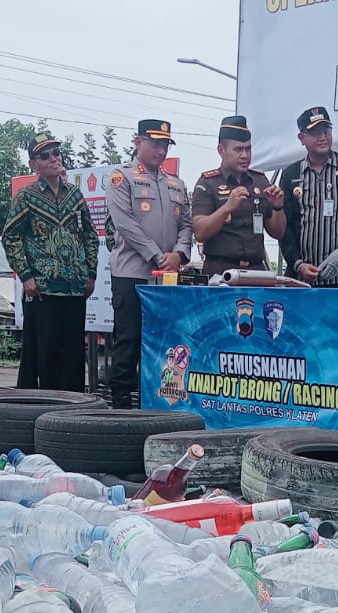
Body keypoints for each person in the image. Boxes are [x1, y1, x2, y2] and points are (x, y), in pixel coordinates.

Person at [104, 119, 192, 409]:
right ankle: (121, 406)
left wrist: (178, 254)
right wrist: (156, 255)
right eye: (155, 143)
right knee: (128, 340)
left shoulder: (176, 183)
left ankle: (159, 403)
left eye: (165, 144)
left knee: (166, 343)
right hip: (132, 273)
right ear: (137, 141)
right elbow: (125, 223)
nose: (161, 149)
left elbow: (187, 224)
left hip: (167, 278)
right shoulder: (122, 177)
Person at [1, 133, 98, 391]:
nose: (54, 158)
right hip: (42, 289)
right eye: (45, 155)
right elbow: (11, 237)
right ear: (33, 164)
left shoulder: (75, 195)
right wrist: (25, 275)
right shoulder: (26, 196)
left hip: (74, 287)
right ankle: (40, 409)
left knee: (73, 356)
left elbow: (89, 234)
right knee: (43, 356)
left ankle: (74, 410)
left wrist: (91, 272)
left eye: (56, 152)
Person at [279, 107, 338, 287]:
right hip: (300, 279)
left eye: (326, 131)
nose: (322, 137)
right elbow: (284, 227)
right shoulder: (291, 174)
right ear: (301, 138)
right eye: (315, 133)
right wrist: (297, 264)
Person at [190, 117, 286, 277]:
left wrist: (277, 207)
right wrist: (227, 208)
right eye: (238, 149)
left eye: (248, 149)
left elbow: (278, 233)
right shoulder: (208, 183)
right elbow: (200, 232)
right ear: (221, 150)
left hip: (255, 270)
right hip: (220, 271)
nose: (245, 155)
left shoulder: (260, 181)